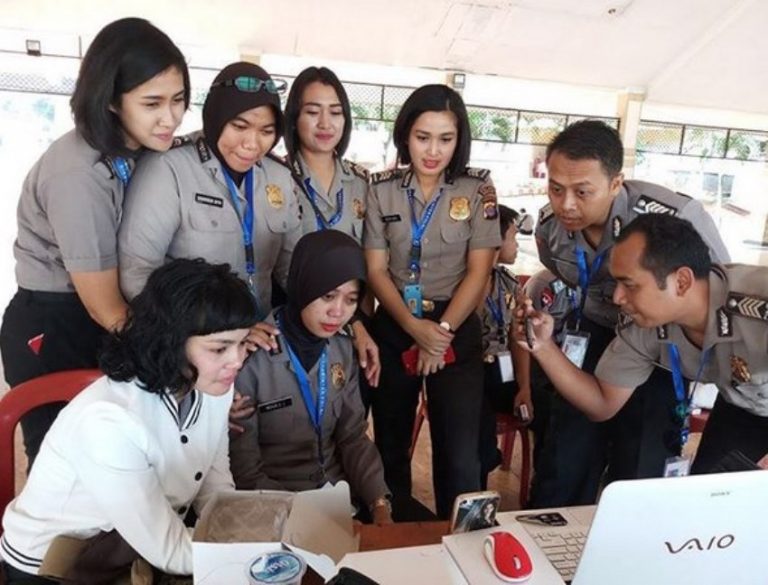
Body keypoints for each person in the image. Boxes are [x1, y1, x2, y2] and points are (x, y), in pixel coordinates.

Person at [0, 17, 189, 467]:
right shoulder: (78, 173)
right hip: (55, 323)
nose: (171, 117)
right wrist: (171, 362)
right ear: (110, 102)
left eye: (179, 100)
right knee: (66, 467)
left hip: (101, 317)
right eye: (152, 103)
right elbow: (104, 306)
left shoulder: (139, 148)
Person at [0, 259, 256, 582]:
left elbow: (214, 484)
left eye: (243, 343)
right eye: (220, 348)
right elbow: (172, 552)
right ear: (171, 342)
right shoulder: (109, 421)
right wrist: (262, 555)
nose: (236, 360)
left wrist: (244, 530)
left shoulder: (212, 386)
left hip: (135, 549)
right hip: (57, 569)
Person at [531, 119, 730, 506]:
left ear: (616, 182)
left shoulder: (673, 216)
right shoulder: (549, 229)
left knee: (640, 465)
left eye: (582, 191)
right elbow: (561, 274)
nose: (566, 204)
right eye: (556, 189)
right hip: (590, 337)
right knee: (564, 459)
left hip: (658, 346)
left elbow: (713, 291)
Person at [519, 214, 768, 476]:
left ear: (681, 282)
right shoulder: (646, 324)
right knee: (711, 497)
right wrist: (544, 347)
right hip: (744, 407)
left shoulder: (757, 306)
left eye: (630, 284)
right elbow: (602, 403)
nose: (617, 297)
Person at [364, 84, 500, 519]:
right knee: (390, 440)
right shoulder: (380, 189)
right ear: (406, 135)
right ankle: (396, 531)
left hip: (455, 329)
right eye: (423, 137)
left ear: (460, 140)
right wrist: (414, 329)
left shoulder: (478, 188)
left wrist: (438, 335)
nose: (433, 150)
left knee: (459, 451)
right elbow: (376, 270)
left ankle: (459, 542)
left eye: (446, 139)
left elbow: (480, 271)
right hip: (397, 323)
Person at [118, 61, 301, 325]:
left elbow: (293, 269)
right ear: (217, 117)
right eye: (239, 126)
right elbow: (137, 274)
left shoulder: (279, 177)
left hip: (262, 339)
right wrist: (206, 331)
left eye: (266, 131)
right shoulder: (167, 169)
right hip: (193, 338)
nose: (252, 143)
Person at [229, 231, 392, 524]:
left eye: (351, 299)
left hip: (341, 501)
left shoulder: (342, 349)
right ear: (303, 284)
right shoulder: (250, 357)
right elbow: (246, 473)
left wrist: (379, 503)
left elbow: (352, 437)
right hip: (274, 509)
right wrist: (315, 519)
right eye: (328, 296)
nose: (338, 312)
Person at [281, 66, 380, 396]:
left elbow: (372, 258)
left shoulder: (362, 182)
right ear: (294, 117)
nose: (325, 124)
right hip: (292, 329)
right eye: (312, 112)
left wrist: (358, 324)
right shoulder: (273, 177)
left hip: (353, 329)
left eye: (335, 112)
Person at [478, 205, 533, 488]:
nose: (517, 245)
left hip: (504, 374)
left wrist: (524, 387)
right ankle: (481, 472)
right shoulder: (465, 282)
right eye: (513, 237)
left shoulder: (510, 285)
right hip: (470, 373)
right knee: (478, 413)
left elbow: (518, 340)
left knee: (548, 404)